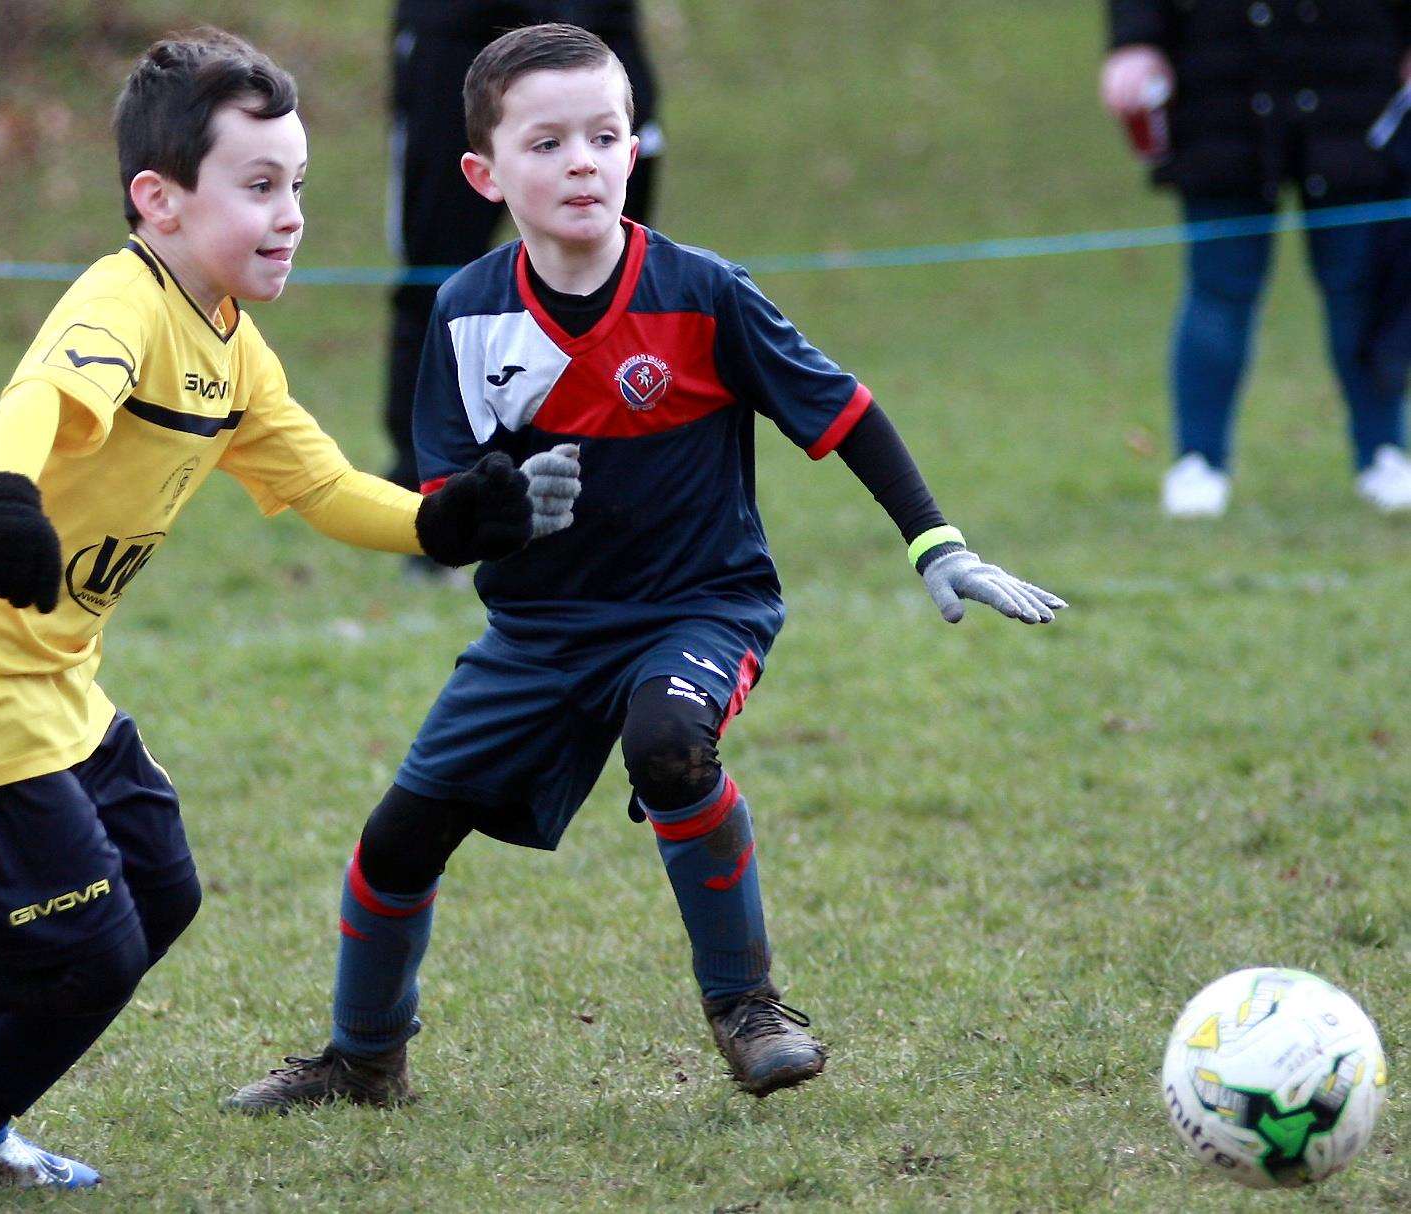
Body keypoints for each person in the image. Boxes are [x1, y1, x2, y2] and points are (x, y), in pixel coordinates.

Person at [0, 29, 578, 1194]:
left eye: (297, 187)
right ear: (160, 199)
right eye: (257, 186)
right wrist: (0, 498)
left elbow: (322, 484)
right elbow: (39, 399)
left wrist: (446, 523)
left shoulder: (233, 347)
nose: (288, 215)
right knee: (78, 960)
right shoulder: (121, 303)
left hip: (57, 688)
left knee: (156, 896)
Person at [225, 22, 1065, 1114]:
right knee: (397, 839)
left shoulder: (704, 293)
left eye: (604, 134)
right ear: (484, 172)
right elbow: (441, 505)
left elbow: (845, 411)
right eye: (547, 142)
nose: (581, 160)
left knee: (668, 743)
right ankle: (362, 1057)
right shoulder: (465, 311)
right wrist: (498, 509)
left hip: (696, 608)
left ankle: (749, 1008)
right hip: (537, 633)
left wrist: (935, 541)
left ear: (634, 148)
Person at [1101, 0, 1411, 516]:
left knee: (1358, 287)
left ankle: (1384, 451)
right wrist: (1134, 42)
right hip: (1222, 94)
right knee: (1219, 288)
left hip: (1356, 92)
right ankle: (1198, 461)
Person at [384, 1, 661, 577]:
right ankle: (433, 497)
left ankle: (640, 480)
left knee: (631, 281)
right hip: (455, 36)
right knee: (433, 277)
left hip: (594, 26)